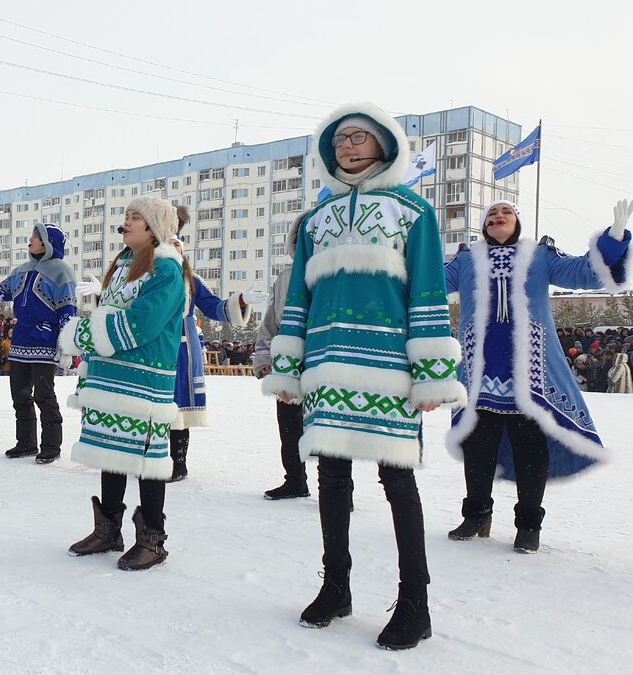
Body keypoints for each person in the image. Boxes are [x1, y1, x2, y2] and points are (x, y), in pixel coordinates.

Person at [260, 103, 466, 650]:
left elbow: (427, 291)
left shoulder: (412, 211)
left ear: (383, 144)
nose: (346, 147)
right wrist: (289, 364)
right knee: (331, 478)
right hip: (327, 363)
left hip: (388, 365)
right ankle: (337, 586)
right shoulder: (317, 219)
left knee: (397, 481)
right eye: (339, 140)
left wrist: (431, 374)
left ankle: (415, 603)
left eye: (358, 137)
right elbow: (298, 297)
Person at [443, 198, 631, 554]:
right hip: (480, 371)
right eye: (492, 214)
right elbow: (428, 280)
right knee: (478, 447)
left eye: (506, 212)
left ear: (517, 222)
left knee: (530, 447)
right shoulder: (466, 259)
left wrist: (613, 240)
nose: (498, 216)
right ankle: (477, 514)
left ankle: (529, 524)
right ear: (484, 226)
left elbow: (584, 272)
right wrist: (400, 252)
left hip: (531, 372)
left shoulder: (540, 255)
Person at [59, 196, 185, 571]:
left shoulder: (166, 269)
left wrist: (83, 334)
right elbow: (108, 311)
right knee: (111, 451)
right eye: (126, 216)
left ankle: (152, 540)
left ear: (154, 227)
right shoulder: (124, 263)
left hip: (145, 379)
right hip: (111, 375)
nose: (126, 222)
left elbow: (143, 324)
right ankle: (108, 529)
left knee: (147, 460)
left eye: (135, 217)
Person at [162, 207, 265, 481]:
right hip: (155, 347)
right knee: (152, 402)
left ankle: (178, 463)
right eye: (168, 245)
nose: (173, 250)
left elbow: (214, 308)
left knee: (179, 405)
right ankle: (151, 458)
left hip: (182, 351)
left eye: (177, 245)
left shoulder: (191, 281)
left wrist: (240, 301)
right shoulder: (149, 277)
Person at [0, 222, 77, 463]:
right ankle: (26, 443)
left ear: (47, 243)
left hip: (45, 342)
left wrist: (66, 345)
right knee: (20, 395)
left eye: (35, 236)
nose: (31, 240)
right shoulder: (22, 270)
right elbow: (2, 291)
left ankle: (51, 446)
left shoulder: (62, 271)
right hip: (20, 341)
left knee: (44, 396)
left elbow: (67, 310)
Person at [254, 212, 312, 500]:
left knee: (326, 428)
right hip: (286, 363)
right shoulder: (285, 277)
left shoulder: (332, 275)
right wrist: (265, 360)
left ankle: (339, 489)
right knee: (289, 426)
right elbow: (270, 322)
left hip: (318, 362)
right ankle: (295, 480)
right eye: (300, 238)